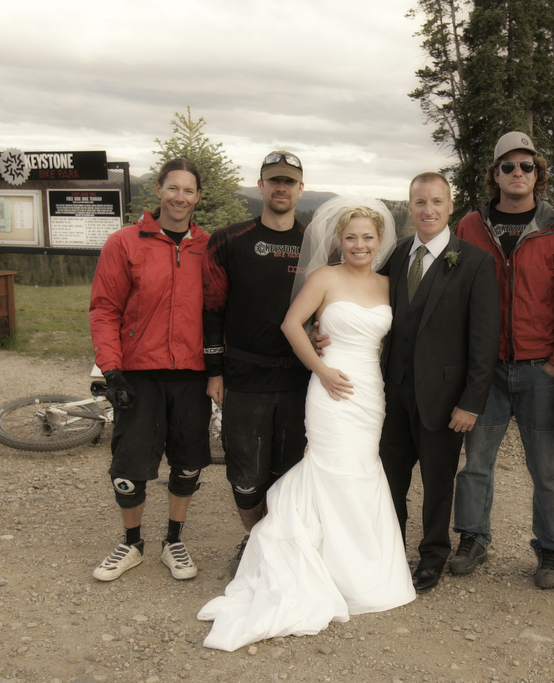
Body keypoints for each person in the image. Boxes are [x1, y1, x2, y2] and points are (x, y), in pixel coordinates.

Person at [198, 199, 415, 650]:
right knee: (332, 467)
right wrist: (321, 369)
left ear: (380, 241)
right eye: (351, 237)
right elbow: (291, 324)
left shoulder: (388, 284)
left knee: (362, 469)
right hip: (329, 389)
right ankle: (323, 567)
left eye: (367, 237)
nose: (359, 245)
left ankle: (362, 570)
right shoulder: (324, 278)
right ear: (340, 240)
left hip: (369, 392)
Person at [449, 131, 554, 589]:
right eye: (508, 166)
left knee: (546, 468)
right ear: (496, 173)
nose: (517, 173)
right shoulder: (470, 226)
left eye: (526, 166)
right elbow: (455, 294)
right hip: (485, 372)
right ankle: (473, 537)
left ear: (537, 173)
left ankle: (550, 548)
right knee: (475, 462)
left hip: (539, 368)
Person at [89, 158, 211, 582]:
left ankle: (173, 541)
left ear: (198, 196)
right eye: (173, 188)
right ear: (158, 190)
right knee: (129, 465)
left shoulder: (208, 247)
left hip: (192, 373)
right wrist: (111, 369)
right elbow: (104, 309)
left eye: (189, 190)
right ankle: (132, 544)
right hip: (139, 372)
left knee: (188, 462)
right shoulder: (124, 242)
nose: (180, 197)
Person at [378, 172, 500, 594]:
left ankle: (432, 557)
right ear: (409, 206)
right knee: (389, 480)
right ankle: (389, 552)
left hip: (445, 399)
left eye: (436, 202)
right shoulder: (395, 254)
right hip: (393, 393)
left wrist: (471, 402)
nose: (428, 210)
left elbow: (484, 342)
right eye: (420, 202)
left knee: (437, 484)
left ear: (450, 206)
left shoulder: (476, 262)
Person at [202, 151, 310, 577]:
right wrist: (214, 371)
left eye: (289, 182)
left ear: (300, 189)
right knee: (246, 476)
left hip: (299, 379)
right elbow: (212, 310)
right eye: (274, 181)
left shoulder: (317, 242)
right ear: (261, 185)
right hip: (244, 376)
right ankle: (254, 538)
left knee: (288, 472)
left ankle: (278, 546)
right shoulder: (228, 241)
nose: (281, 188)